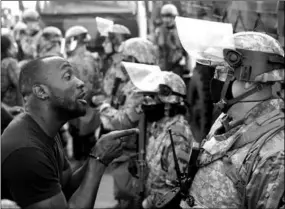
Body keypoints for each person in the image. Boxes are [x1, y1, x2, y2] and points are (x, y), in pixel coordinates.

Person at [1, 55, 139, 209]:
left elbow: (65, 185)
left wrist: (98, 153)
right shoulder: (27, 152)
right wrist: (98, 162)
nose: (80, 83)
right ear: (41, 91)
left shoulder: (45, 129)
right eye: (68, 76)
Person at [178, 32, 284, 208]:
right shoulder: (225, 119)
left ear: (250, 81)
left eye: (222, 72)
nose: (215, 80)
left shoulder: (275, 153)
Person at [92, 37, 158, 208]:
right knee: (123, 195)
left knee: (131, 196)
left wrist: (105, 108)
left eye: (126, 58)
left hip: (135, 156)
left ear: (136, 60)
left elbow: (124, 122)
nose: (122, 62)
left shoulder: (144, 89)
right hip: (126, 153)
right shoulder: (132, 83)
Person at [129, 70, 195, 208]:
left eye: (151, 98)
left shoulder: (177, 136)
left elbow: (175, 189)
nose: (145, 103)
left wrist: (146, 204)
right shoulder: (157, 126)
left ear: (168, 102)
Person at [64, 25, 104, 161]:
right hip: (91, 114)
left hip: (75, 114)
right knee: (90, 156)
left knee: (78, 157)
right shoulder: (94, 59)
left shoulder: (69, 62)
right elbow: (99, 87)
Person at [152, 4, 189, 78]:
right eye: (164, 17)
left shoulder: (180, 31)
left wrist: (187, 67)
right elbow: (156, 49)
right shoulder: (159, 31)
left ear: (174, 17)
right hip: (162, 67)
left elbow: (186, 51)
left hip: (177, 66)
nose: (167, 20)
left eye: (170, 17)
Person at [102, 24, 131, 96]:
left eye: (106, 41)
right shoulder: (114, 62)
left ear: (116, 42)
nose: (103, 44)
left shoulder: (123, 66)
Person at [1, 29, 23, 113]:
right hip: (11, 105)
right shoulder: (10, 62)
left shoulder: (3, 62)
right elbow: (21, 84)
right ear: (8, 48)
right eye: (13, 44)